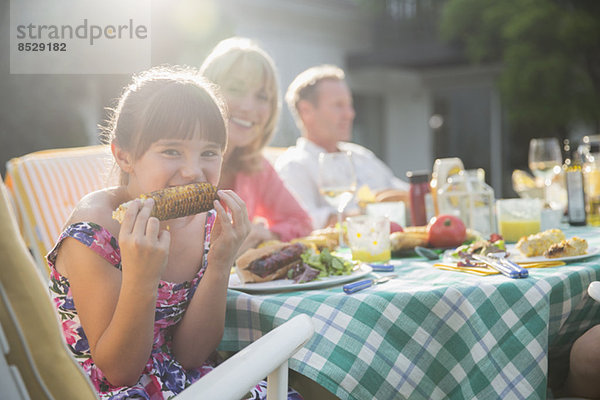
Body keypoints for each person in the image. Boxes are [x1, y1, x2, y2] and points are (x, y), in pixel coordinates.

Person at [46, 66, 302, 399]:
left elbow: (191, 355)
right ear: (124, 156)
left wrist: (221, 261)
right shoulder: (96, 232)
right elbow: (120, 371)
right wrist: (141, 277)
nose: (193, 171)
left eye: (209, 153)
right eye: (171, 151)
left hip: (188, 379)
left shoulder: (206, 223)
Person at [200, 37, 313, 254]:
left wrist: (266, 235)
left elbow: (302, 223)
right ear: (206, 91)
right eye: (235, 89)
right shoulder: (178, 164)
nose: (248, 106)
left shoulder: (255, 167)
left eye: (262, 96)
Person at [275, 64, 409, 230]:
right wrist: (367, 213)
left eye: (349, 105)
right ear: (306, 110)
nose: (350, 114)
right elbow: (304, 222)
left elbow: (406, 194)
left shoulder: (361, 155)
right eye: (338, 105)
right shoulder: (294, 165)